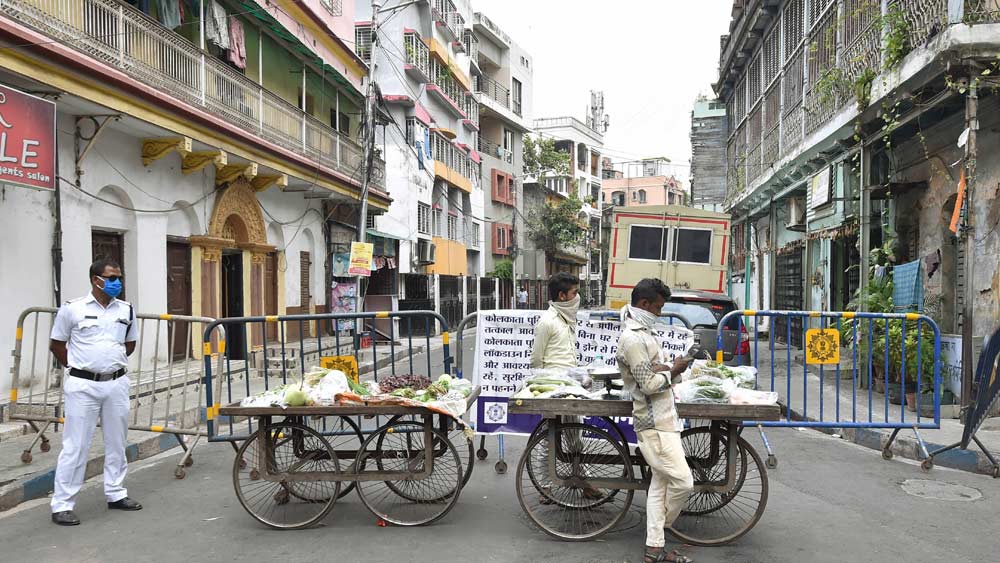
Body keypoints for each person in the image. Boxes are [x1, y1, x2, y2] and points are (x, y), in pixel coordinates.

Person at [48, 259, 143, 526]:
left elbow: (130, 342)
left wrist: (110, 364)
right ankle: (62, 504)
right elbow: (57, 344)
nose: (117, 283)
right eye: (111, 277)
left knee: (117, 442)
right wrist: (80, 367)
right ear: (95, 280)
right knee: (76, 445)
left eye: (119, 278)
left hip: (116, 384)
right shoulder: (73, 309)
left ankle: (115, 493)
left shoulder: (126, 309)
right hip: (83, 386)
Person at [617, 278, 694, 563]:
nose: (660, 313)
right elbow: (648, 384)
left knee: (659, 485)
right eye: (658, 308)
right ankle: (663, 525)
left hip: (665, 418)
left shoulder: (644, 332)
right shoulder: (633, 338)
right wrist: (673, 369)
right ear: (644, 304)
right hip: (654, 424)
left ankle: (654, 549)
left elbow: (651, 371)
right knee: (683, 482)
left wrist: (669, 367)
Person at [530, 273, 580, 370]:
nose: (577, 297)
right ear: (562, 295)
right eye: (574, 293)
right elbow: (536, 359)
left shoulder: (568, 319)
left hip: (569, 379)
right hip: (553, 381)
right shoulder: (547, 321)